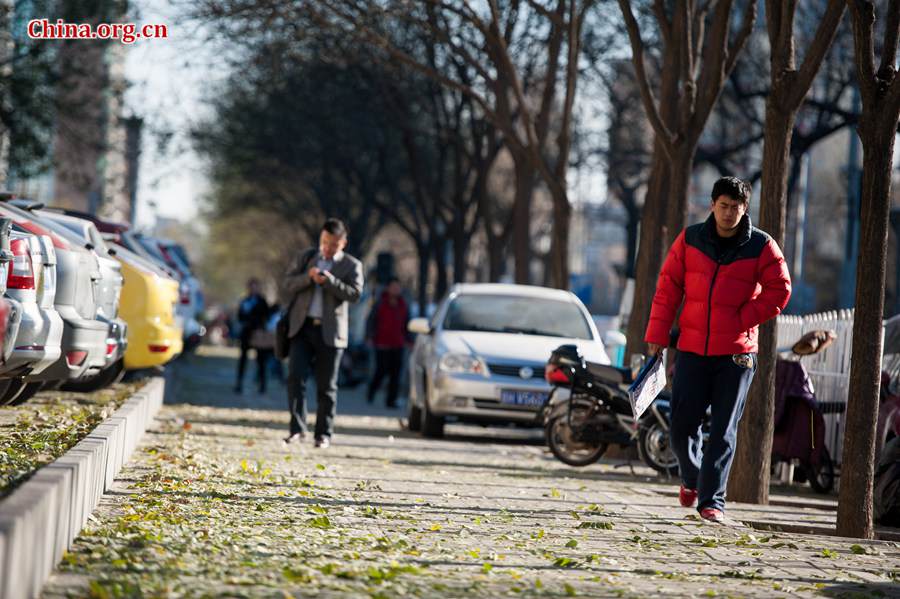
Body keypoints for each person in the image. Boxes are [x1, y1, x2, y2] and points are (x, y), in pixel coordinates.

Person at [644, 176, 791, 523]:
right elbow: (667, 289)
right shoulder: (690, 239)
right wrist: (658, 336)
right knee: (681, 425)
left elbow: (780, 290)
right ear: (712, 205)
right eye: (723, 206)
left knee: (724, 428)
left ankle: (713, 502)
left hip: (737, 354)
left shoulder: (762, 246)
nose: (729, 213)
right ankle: (692, 478)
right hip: (692, 349)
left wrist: (744, 317)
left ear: (745, 209)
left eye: (736, 208)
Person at [280, 218, 364, 448]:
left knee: (327, 386)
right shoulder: (306, 258)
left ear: (343, 243)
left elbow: (355, 294)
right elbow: (287, 284)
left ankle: (323, 434)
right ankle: (297, 429)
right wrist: (308, 277)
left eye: (334, 244)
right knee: (295, 377)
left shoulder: (352, 265)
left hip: (331, 332)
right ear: (321, 238)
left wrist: (330, 282)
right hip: (302, 327)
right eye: (325, 242)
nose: (327, 247)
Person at [366, 277, 410, 408]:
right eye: (393, 286)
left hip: (398, 344)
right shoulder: (380, 302)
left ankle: (391, 400)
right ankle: (371, 392)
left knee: (395, 374)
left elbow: (407, 324)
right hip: (381, 343)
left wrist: (409, 340)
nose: (396, 289)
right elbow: (371, 320)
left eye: (398, 287)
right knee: (381, 371)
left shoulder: (403, 304)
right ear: (388, 288)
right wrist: (369, 336)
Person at [234, 278, 270, 394]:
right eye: (251, 286)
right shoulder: (244, 301)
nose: (253, 289)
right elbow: (240, 316)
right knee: (243, 360)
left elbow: (266, 316)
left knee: (261, 361)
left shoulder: (262, 301)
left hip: (258, 334)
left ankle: (262, 385)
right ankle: (239, 384)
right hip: (246, 333)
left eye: (255, 286)